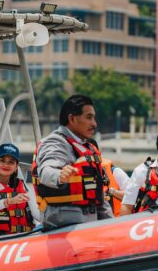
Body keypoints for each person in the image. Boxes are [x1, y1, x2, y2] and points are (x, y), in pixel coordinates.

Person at [31, 94, 112, 227]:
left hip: (90, 225)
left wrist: (112, 225)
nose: (94, 123)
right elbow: (46, 171)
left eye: (94, 118)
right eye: (88, 117)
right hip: (63, 227)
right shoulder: (55, 142)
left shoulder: (88, 147)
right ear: (72, 118)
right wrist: (59, 175)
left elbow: (98, 197)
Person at [0, 143, 41, 238]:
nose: (6, 165)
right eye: (2, 161)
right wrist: (10, 201)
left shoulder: (21, 186)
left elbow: (36, 213)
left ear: (16, 166)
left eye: (11, 162)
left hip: (23, 238)